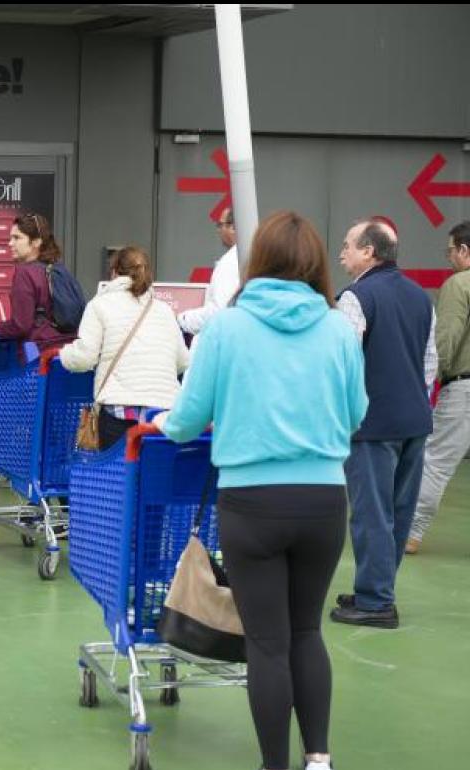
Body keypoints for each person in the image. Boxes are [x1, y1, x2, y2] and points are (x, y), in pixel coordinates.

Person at [155, 211, 367, 770]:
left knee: (267, 643)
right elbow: (355, 414)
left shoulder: (227, 327)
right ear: (318, 264)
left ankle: (275, 764)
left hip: (252, 502)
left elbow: (188, 416)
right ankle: (318, 758)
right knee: (306, 632)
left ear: (258, 262)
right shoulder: (337, 328)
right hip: (323, 500)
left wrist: (161, 423)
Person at [330, 218, 436, 629]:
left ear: (368, 252)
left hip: (372, 424)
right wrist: (411, 398)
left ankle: (375, 602)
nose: (342, 253)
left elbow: (343, 361)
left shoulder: (356, 298)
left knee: (371, 513)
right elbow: (431, 363)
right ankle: (377, 588)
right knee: (398, 511)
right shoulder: (419, 297)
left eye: (348, 246)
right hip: (414, 420)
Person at [59, 246, 190, 450]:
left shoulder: (99, 305)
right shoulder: (165, 310)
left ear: (114, 272)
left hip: (119, 407)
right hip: (163, 412)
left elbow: (84, 358)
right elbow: (183, 362)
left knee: (117, 477)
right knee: (154, 476)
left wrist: (64, 354)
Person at [406, 219, 470, 553]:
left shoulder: (460, 284)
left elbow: (447, 338)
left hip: (464, 388)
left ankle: (410, 533)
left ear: (464, 250)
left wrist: (432, 378)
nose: (449, 258)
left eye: (450, 251)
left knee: (435, 462)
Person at [0, 212, 81, 351]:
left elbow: (20, 326)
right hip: (67, 353)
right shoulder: (60, 269)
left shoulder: (25, 273)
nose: (10, 243)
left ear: (36, 242)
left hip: (38, 357)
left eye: (17, 238)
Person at [178, 207, 240, 336]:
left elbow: (218, 311)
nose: (218, 230)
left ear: (233, 227)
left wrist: (183, 319)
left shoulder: (231, 261)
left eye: (220, 225)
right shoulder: (252, 256)